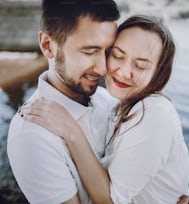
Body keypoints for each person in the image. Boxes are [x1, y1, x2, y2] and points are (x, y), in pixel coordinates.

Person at [19, 15, 189, 204]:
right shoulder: (117, 104)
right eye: (117, 55)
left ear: (159, 73)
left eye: (141, 65)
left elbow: (110, 200)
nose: (124, 72)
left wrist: (71, 131)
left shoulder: (154, 113)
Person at [7, 1, 120, 203]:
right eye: (89, 51)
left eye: (108, 51)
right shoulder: (31, 136)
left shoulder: (105, 99)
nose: (103, 68)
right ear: (48, 46)